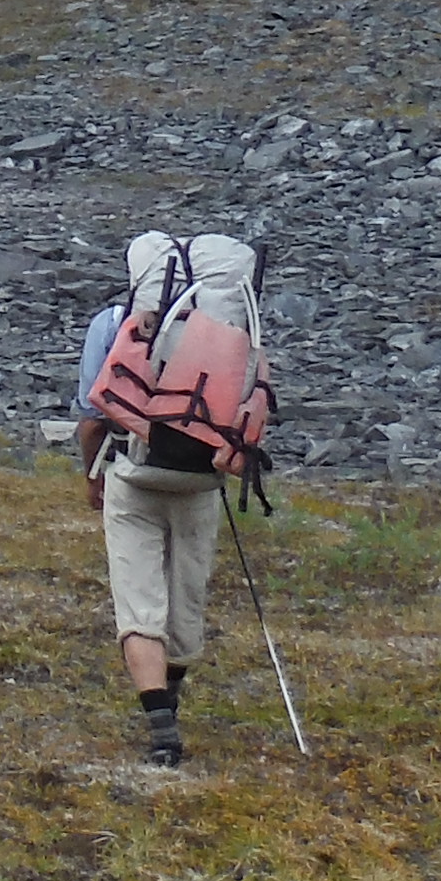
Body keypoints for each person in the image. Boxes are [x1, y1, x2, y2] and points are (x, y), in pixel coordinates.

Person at [71, 231, 264, 768]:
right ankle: (171, 704)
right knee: (186, 602)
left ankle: (161, 734)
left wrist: (91, 479)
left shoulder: (115, 325)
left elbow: (92, 417)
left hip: (133, 478)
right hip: (201, 485)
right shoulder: (234, 332)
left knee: (139, 604)